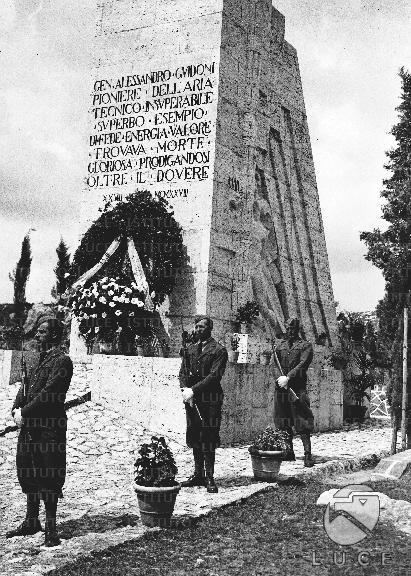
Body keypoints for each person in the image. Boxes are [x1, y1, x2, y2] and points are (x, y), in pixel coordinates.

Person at [6, 314, 73, 547]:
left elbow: (50, 394)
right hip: (29, 429)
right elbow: (24, 388)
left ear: (54, 335)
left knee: (49, 474)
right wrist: (16, 407)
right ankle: (31, 520)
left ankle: (51, 529)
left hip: (48, 429)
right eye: (37, 331)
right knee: (28, 470)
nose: (37, 335)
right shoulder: (36, 360)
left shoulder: (62, 361)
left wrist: (25, 412)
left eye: (42, 332)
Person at [179, 316, 228, 493]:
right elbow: (183, 371)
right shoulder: (190, 349)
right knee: (195, 436)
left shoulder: (219, 350)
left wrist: (194, 390)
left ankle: (209, 477)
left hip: (210, 400)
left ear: (210, 329)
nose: (198, 330)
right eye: (197, 326)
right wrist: (186, 391)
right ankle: (198, 474)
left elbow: (214, 376)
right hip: (192, 400)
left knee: (208, 437)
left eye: (202, 327)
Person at [273, 317, 315, 467]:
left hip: (297, 388)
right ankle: (288, 451)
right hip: (281, 388)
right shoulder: (280, 346)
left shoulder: (305, 346)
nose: (290, 331)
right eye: (288, 328)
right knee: (283, 420)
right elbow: (274, 365)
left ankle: (307, 455)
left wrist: (288, 377)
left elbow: (303, 364)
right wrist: (279, 379)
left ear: (297, 329)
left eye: (293, 328)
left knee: (301, 420)